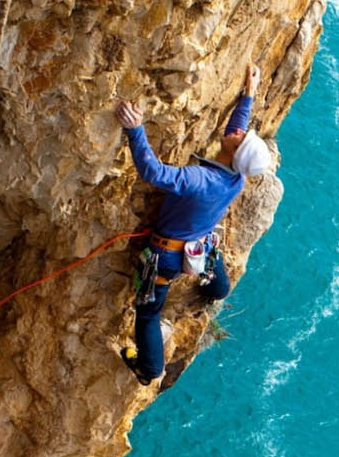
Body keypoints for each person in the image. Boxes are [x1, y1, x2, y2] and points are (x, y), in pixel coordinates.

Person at [115, 66, 275, 382]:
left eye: (240, 139)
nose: (239, 132)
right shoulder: (236, 178)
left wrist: (136, 131)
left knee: (148, 312)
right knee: (213, 271)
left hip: (165, 258)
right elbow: (236, 131)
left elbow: (155, 173)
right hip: (198, 247)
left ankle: (149, 369)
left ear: (236, 153)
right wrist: (249, 94)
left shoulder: (199, 179)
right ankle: (218, 289)